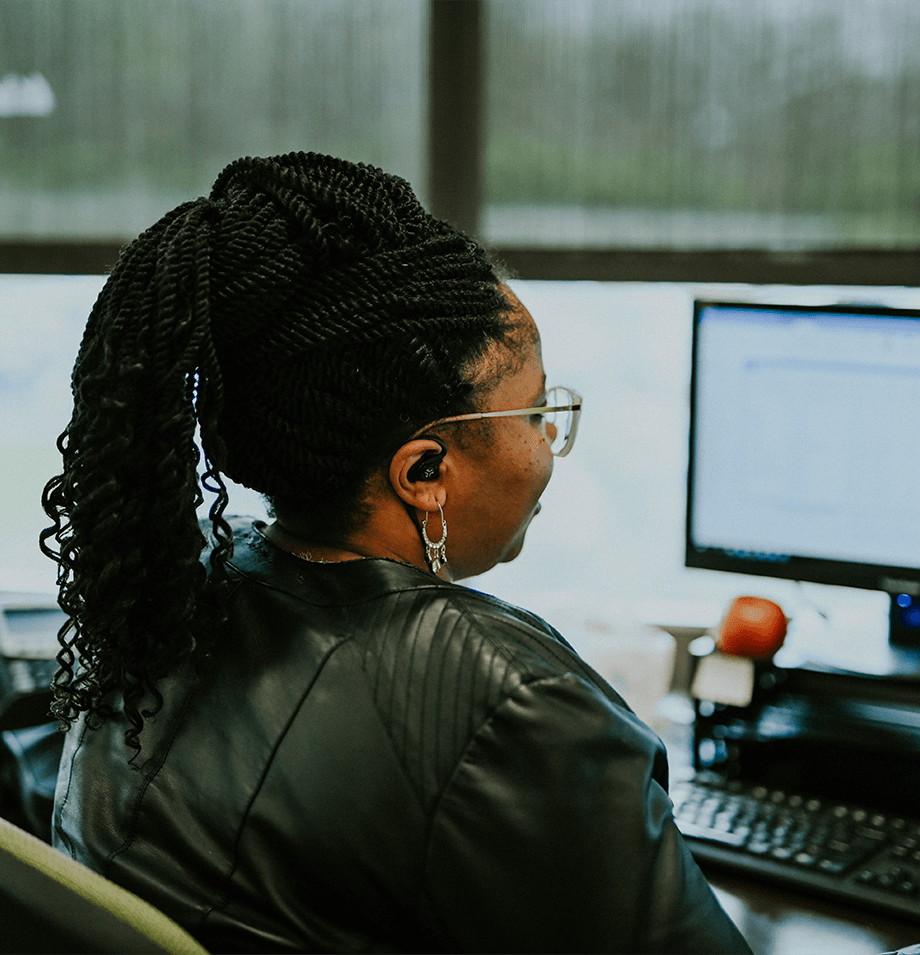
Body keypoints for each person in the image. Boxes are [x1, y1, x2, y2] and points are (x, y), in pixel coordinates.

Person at [42, 152, 751, 954]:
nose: (551, 437)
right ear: (423, 472)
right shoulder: (510, 701)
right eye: (534, 411)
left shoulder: (166, 596)